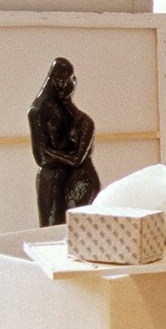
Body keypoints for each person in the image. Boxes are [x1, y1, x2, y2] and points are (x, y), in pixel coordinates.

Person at [28, 57, 101, 226]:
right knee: (53, 229)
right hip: (53, 178)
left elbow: (76, 158)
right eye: (67, 79)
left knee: (75, 229)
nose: (68, 84)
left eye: (70, 80)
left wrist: (61, 155)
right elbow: (41, 157)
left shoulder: (83, 121)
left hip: (77, 180)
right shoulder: (38, 110)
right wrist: (68, 157)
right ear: (57, 79)